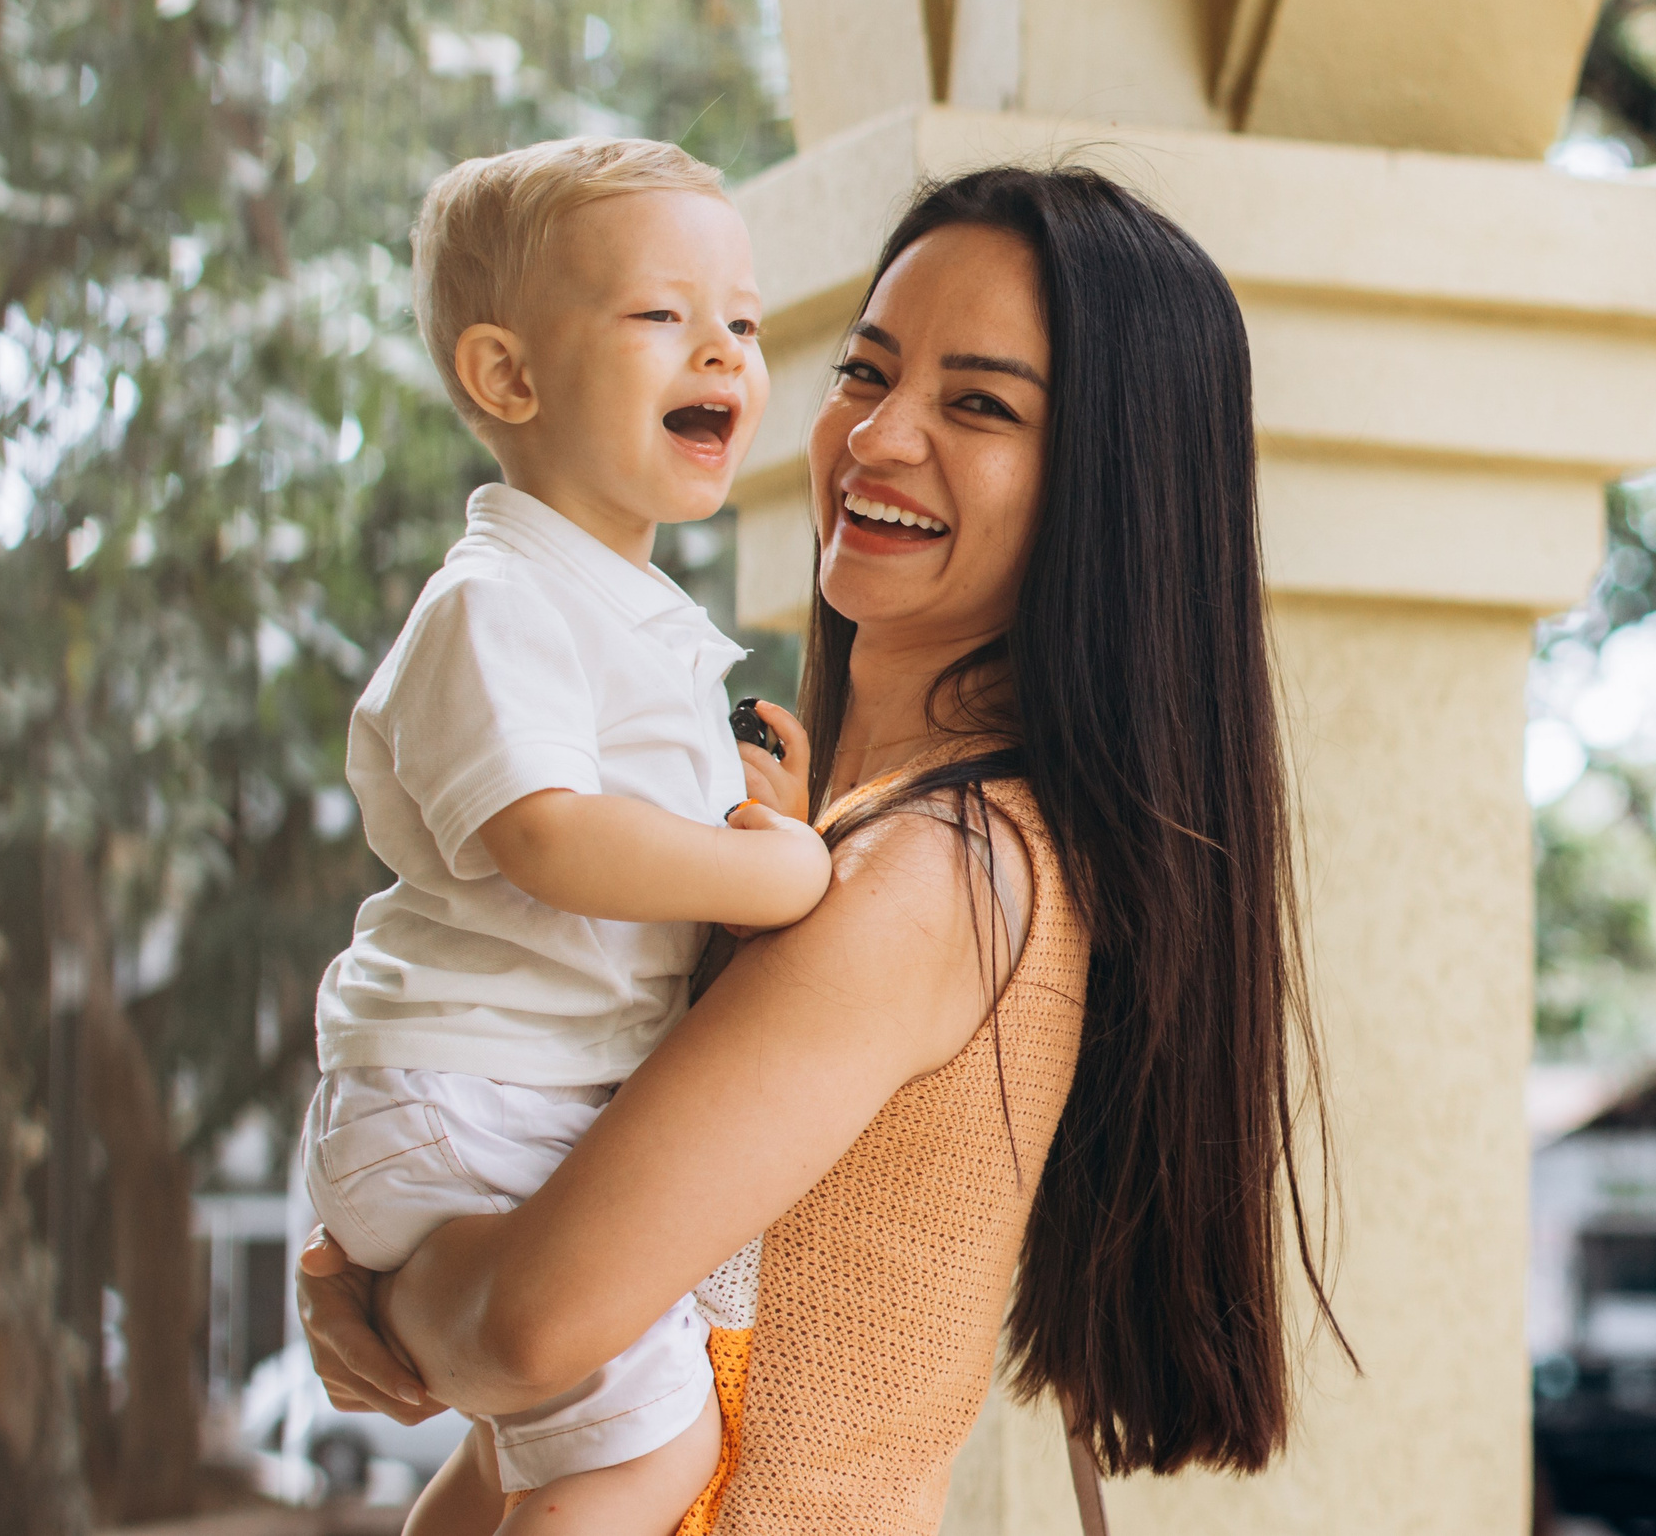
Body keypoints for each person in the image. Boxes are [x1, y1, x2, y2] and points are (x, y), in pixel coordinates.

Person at [296, 165, 1346, 1534]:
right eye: (866, 368)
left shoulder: (929, 879)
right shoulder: (840, 836)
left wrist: (386, 1292)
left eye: (978, 404)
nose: (875, 435)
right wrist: (423, 1297)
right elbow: (568, 1395)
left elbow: (536, 1324)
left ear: (1115, 484)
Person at [300, 135, 835, 1536]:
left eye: (743, 321)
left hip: (490, 1095)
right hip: (478, 1093)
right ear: (507, 377)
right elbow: (545, 837)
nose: (721, 351)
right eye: (664, 316)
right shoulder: (501, 598)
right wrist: (772, 870)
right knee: (644, 1464)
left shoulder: (612, 611)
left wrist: (746, 822)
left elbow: (622, 860)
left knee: (514, 1469)